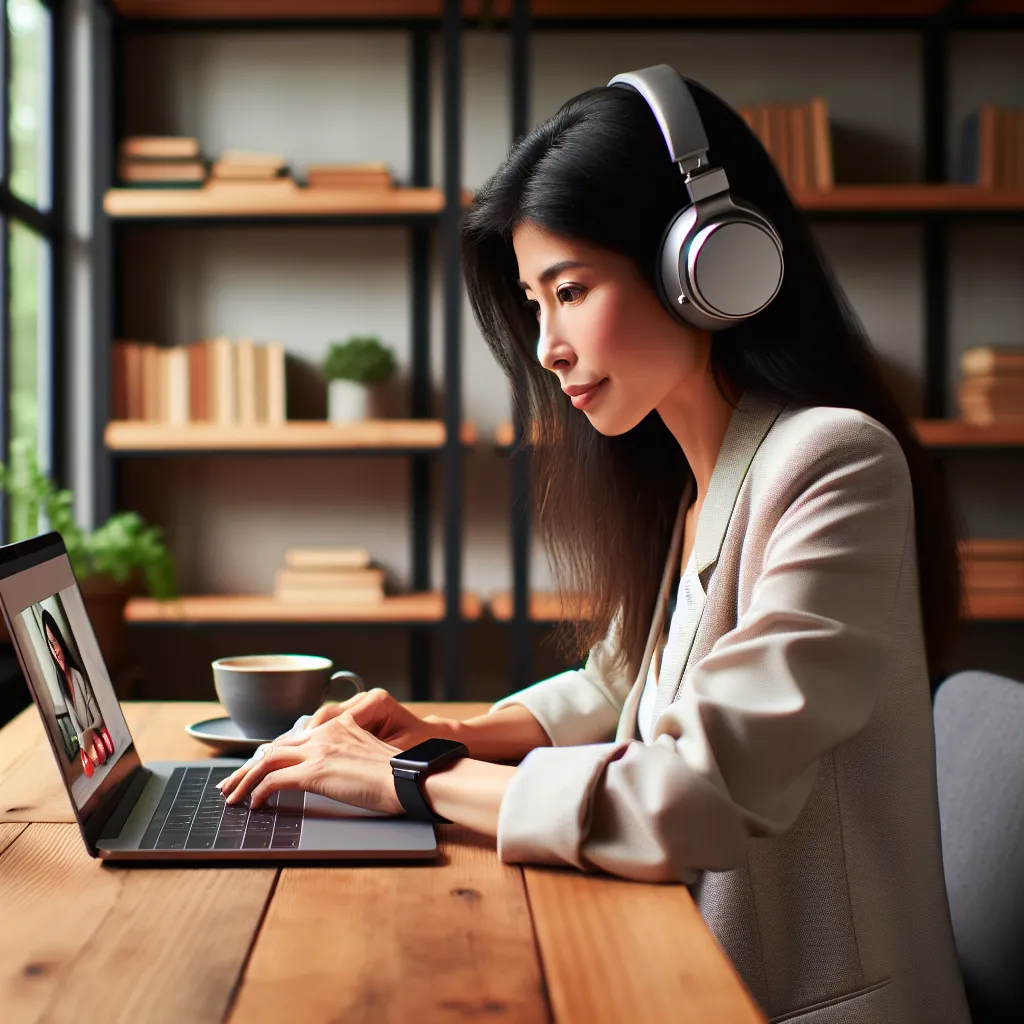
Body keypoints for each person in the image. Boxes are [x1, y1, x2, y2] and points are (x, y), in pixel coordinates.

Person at [220, 68, 970, 1022]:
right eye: (535, 303)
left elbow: (690, 793)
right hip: (676, 962)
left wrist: (416, 780)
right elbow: (624, 684)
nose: (546, 347)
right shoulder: (692, 479)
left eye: (569, 291)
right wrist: (450, 733)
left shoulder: (835, 464)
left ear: (706, 266)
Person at [41, 607, 113, 778]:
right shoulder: (61, 684)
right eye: (51, 645)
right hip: (88, 749)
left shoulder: (78, 676)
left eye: (56, 641)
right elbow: (75, 725)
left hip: (97, 742)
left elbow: (98, 719)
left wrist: (87, 734)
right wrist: (83, 742)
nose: (56, 649)